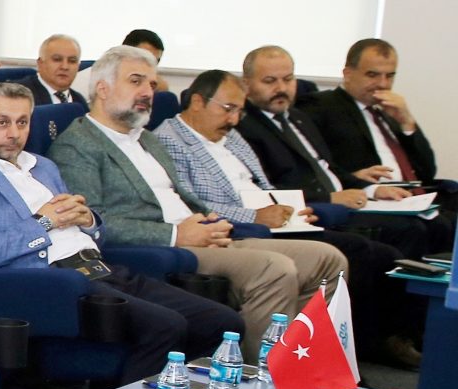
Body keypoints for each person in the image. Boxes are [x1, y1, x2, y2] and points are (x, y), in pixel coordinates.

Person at [48, 46, 347, 363]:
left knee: (328, 260)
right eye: (136, 81)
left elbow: (184, 197)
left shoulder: (146, 138)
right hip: (164, 248)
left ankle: (302, 362)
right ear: (102, 88)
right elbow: (92, 221)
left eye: (152, 84)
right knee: (275, 270)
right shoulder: (78, 145)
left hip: (205, 233)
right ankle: (259, 374)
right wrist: (177, 235)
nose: (147, 91)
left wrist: (210, 221)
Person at [0, 82, 244, 383]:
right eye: (2, 123)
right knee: (166, 326)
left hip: (101, 268)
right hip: (55, 282)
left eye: (22, 122)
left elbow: (89, 229)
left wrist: (88, 219)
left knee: (223, 322)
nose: (13, 133)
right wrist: (44, 221)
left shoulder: (43, 166)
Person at [155, 69, 421, 368]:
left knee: (333, 260)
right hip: (234, 227)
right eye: (228, 109)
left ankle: (308, 361)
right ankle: (270, 368)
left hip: (271, 220)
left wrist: (292, 207)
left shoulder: (231, 136)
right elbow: (194, 204)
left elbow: (264, 185)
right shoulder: (168, 140)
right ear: (197, 102)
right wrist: (256, 216)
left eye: (240, 111)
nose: (234, 119)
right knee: (345, 253)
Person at [238, 45, 453, 259]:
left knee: (438, 223)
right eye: (270, 81)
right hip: (317, 209)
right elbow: (266, 187)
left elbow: (329, 169)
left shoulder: (297, 118)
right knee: (408, 230)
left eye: (288, 79)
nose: (281, 88)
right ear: (246, 84)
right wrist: (331, 197)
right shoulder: (245, 126)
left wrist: (372, 189)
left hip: (350, 201)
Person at [296, 39, 458, 216]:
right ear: (348, 73)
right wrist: (353, 177)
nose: (383, 84)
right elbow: (312, 165)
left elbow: (427, 172)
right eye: (372, 75)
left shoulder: (388, 111)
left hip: (414, 198)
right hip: (371, 201)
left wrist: (407, 122)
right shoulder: (319, 107)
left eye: (390, 76)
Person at [13, 34, 87, 107]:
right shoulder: (17, 95)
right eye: (57, 59)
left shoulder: (79, 101)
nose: (65, 67)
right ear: (40, 63)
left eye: (72, 61)